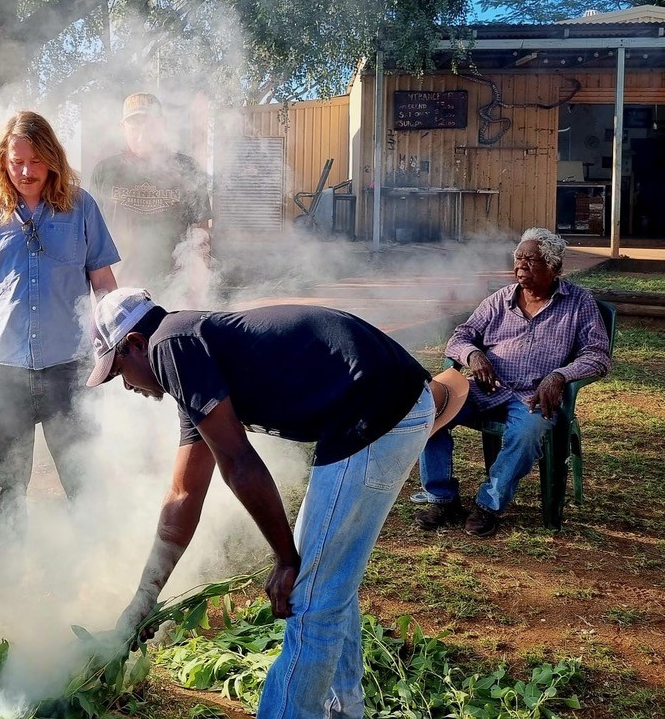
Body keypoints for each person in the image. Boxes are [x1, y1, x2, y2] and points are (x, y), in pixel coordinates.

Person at [87, 288, 465, 719]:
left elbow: (239, 462)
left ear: (135, 344)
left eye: (119, 371)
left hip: (375, 411)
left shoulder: (171, 345)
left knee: (310, 596)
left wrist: (285, 558)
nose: (126, 385)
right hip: (379, 405)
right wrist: (143, 600)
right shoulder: (187, 355)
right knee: (324, 578)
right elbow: (184, 494)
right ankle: (344, 709)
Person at [0, 110, 119, 598]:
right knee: (5, 486)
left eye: (36, 161)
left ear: (53, 161)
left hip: (71, 371)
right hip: (3, 374)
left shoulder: (81, 208)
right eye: (17, 160)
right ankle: (8, 587)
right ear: (3, 159)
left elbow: (103, 282)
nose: (26, 171)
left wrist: (118, 344)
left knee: (83, 480)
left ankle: (97, 578)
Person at [414, 227, 612, 538]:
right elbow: (460, 337)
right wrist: (473, 355)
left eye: (531, 261)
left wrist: (560, 376)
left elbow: (598, 355)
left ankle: (488, 505)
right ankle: (443, 499)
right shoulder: (499, 300)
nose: (520, 267)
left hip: (533, 397)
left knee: (527, 432)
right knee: (427, 412)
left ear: (554, 267)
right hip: (484, 389)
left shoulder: (578, 303)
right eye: (518, 259)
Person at [89, 93, 210, 293]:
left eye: (149, 123)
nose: (141, 132)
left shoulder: (187, 168)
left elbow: (201, 233)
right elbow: (93, 239)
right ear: (123, 128)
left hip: (175, 290)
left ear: (162, 124)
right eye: (134, 124)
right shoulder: (105, 171)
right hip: (120, 291)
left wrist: (199, 285)